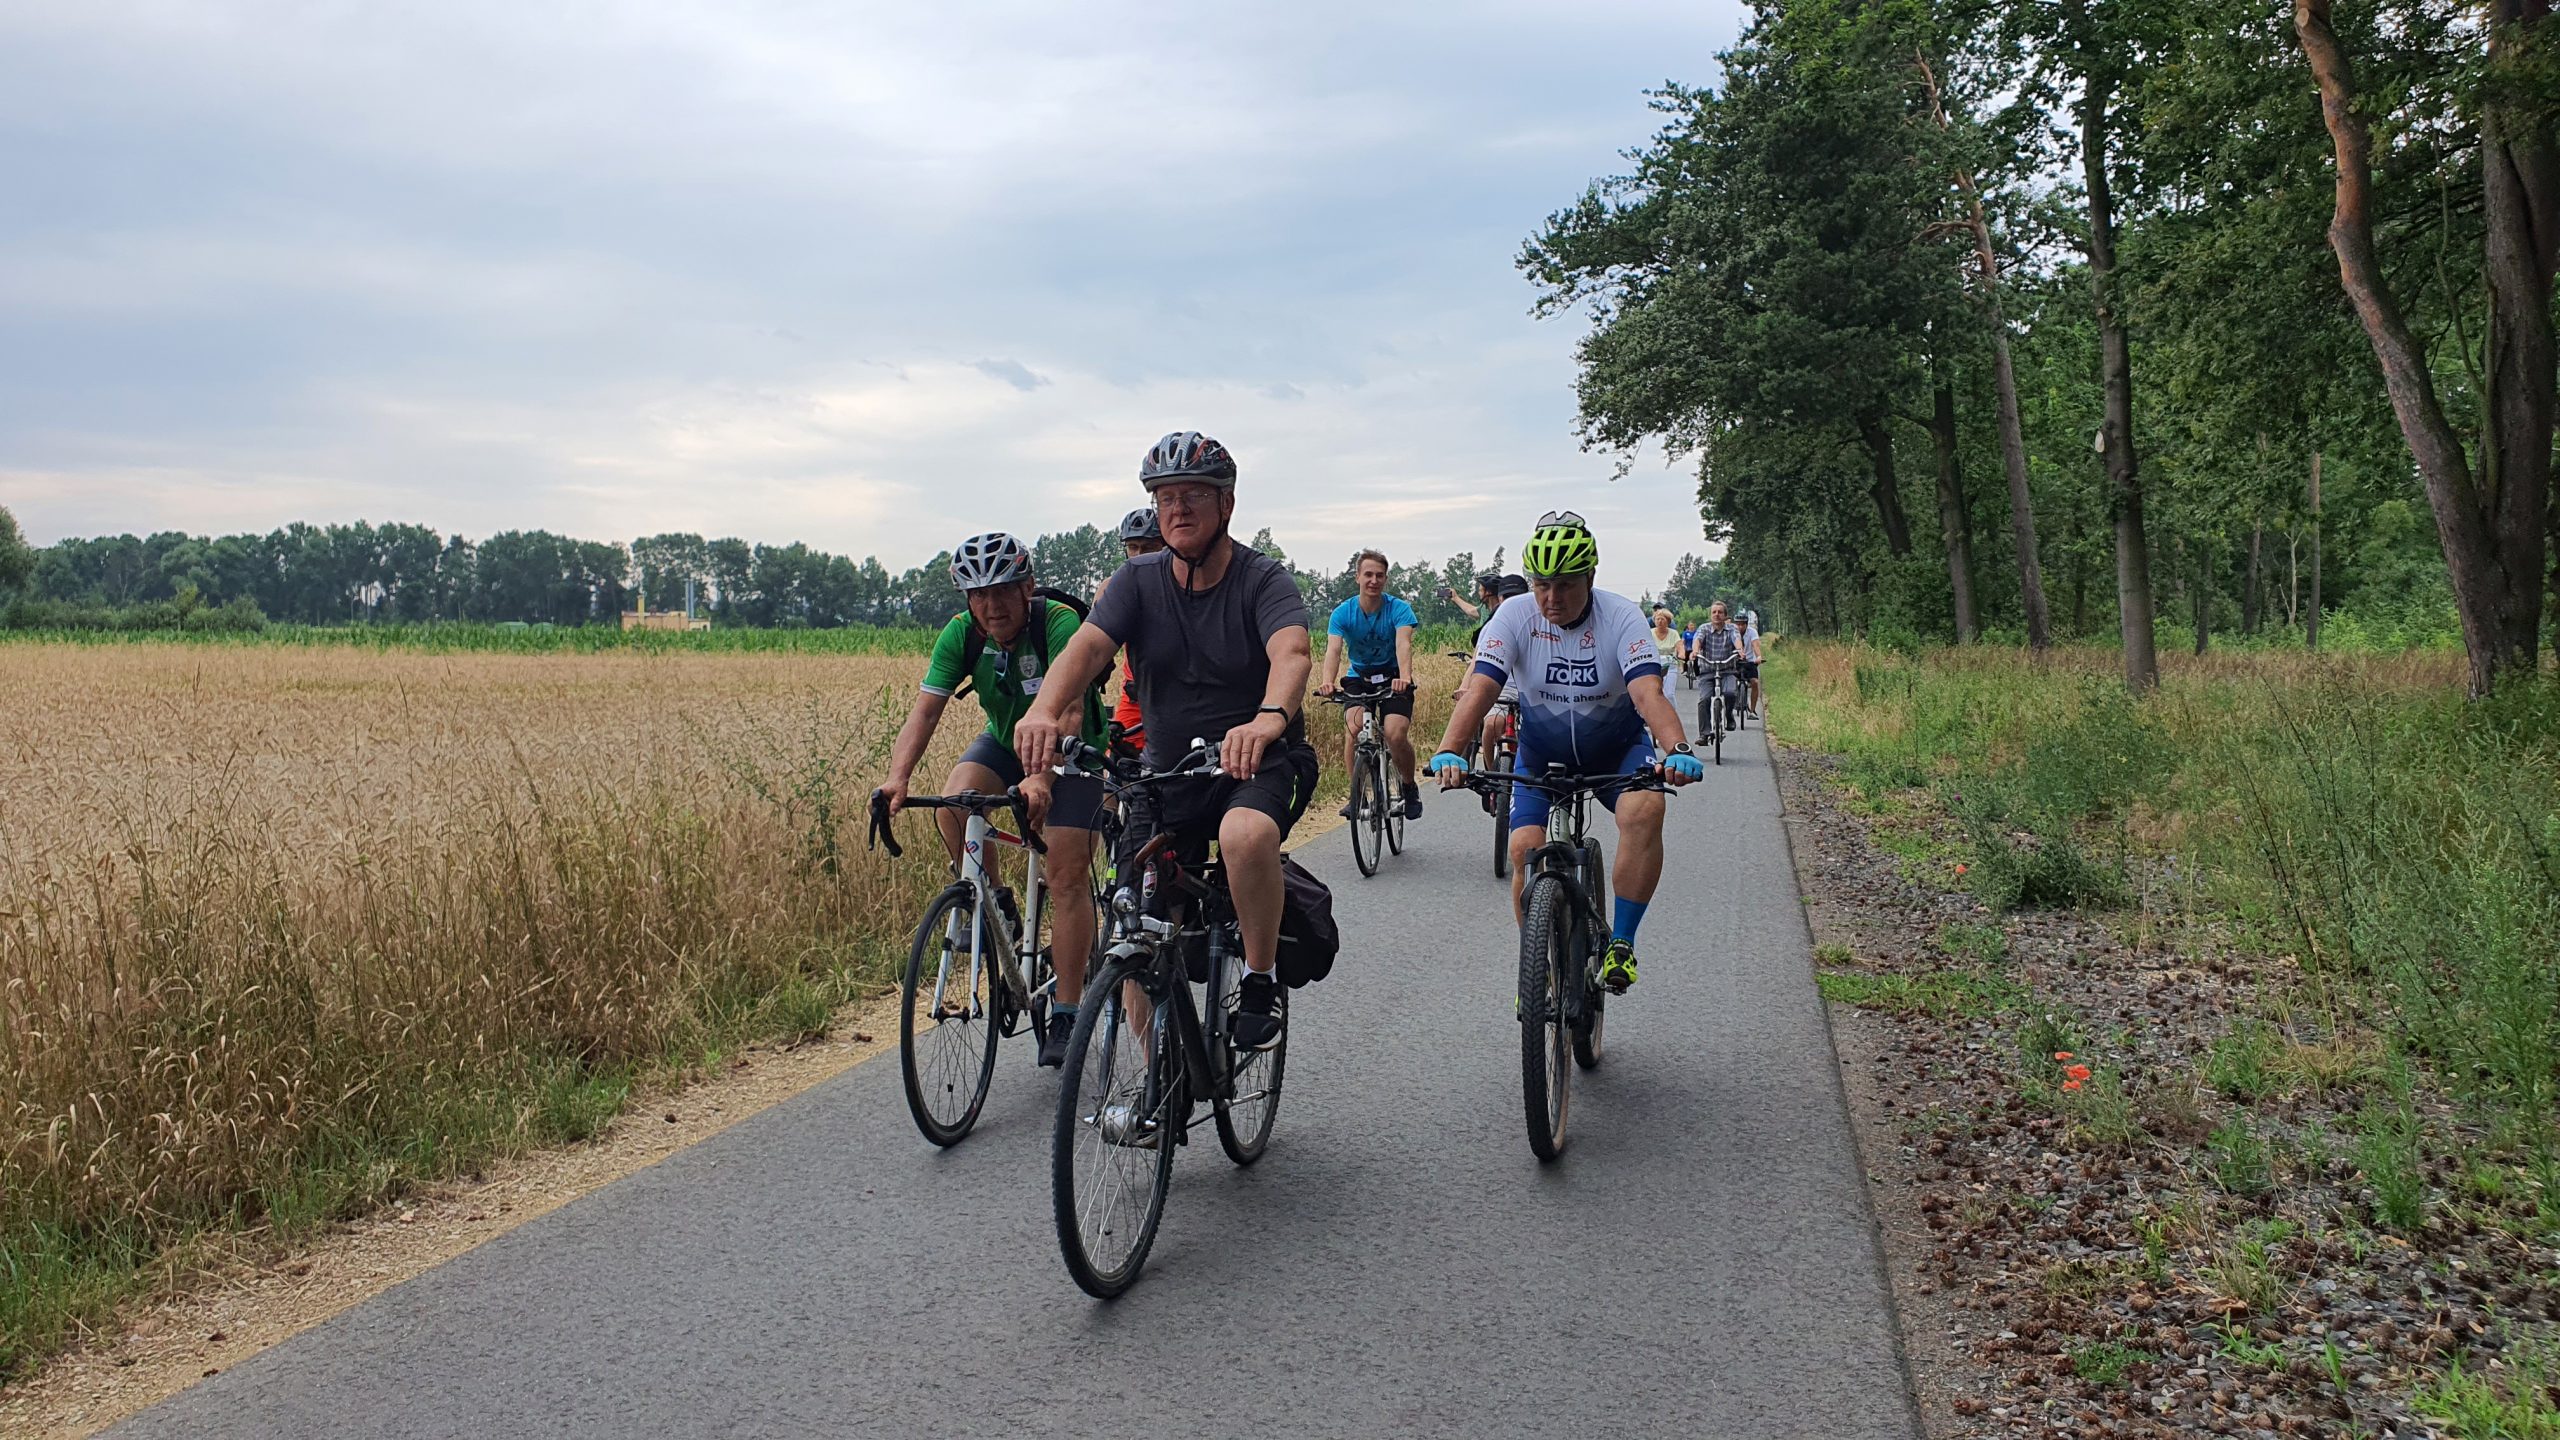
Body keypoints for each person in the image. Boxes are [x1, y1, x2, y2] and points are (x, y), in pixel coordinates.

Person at [1015, 431, 1318, 1050]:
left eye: (1194, 496)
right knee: (1134, 918)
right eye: (1165, 497)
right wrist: (1043, 709)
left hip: (1255, 763)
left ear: (1226, 503)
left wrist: (1267, 720)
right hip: (1165, 775)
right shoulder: (1137, 580)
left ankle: (1258, 979)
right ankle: (1154, 1078)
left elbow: (1292, 652)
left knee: (1244, 836)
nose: (1177, 509)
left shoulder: (1263, 579)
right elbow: (1088, 648)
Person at [1425, 512, 1701, 992]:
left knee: (1645, 810)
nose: (1551, 597)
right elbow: (1481, 689)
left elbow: (1647, 693)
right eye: (1541, 585)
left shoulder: (1621, 617)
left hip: (1616, 752)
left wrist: (1677, 748)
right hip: (1541, 753)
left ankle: (1622, 944)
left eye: (1566, 585)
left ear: (1590, 578)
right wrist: (1450, 750)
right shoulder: (1514, 616)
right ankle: (1537, 969)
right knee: (1522, 849)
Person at [881, 532, 1108, 1067]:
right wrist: (897, 778)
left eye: (1003, 590)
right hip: (1007, 742)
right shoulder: (962, 634)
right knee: (954, 803)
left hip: (1072, 750)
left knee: (1065, 875)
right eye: (979, 594)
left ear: (1028, 587)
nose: (992, 605)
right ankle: (997, 903)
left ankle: (1068, 1009)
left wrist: (1044, 778)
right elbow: (926, 711)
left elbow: (1070, 709)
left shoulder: (1057, 624)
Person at [1316, 550, 1422, 821]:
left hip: (1393, 677)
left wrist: (1405, 678)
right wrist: (1327, 682)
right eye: (1368, 575)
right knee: (1353, 730)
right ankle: (1359, 796)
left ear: (1386, 579)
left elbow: (1403, 643)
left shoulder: (1399, 609)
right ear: (1357, 577)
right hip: (1359, 677)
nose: (1374, 580)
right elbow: (1333, 650)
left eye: (1379, 575)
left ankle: (1409, 787)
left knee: (1395, 734)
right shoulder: (1343, 612)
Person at [1101, 507, 1165, 762]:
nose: (1138, 555)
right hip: (1135, 699)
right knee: (1115, 766)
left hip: (1179, 698)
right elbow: (1093, 647)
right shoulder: (1114, 589)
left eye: (1149, 547)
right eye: (1133, 547)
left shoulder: (1183, 588)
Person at [1691, 601, 1745, 734]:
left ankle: (1729, 715)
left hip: (1727, 670)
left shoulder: (1731, 628)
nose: (1716, 615)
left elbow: (1736, 639)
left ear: (1725, 615)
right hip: (1707, 671)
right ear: (1710, 615)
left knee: (1730, 693)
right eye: (1714, 612)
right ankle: (1704, 733)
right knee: (1704, 700)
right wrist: (1695, 651)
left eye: (1720, 612)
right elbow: (1698, 640)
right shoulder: (1704, 628)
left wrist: (1739, 650)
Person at [1648, 608, 1685, 690]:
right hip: (1654, 663)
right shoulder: (1649, 632)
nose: (1659, 621)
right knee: (1654, 691)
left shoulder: (1673, 633)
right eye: (1657, 619)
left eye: (1662, 619)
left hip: (1669, 663)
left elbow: (1680, 645)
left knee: (1669, 692)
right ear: (1654, 621)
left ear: (1668, 621)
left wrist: (1681, 653)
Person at [1739, 608, 1764, 719]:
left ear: (1746, 624)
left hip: (1750, 662)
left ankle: (1752, 710)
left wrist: (1758, 656)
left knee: (1755, 682)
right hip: (1735, 662)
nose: (1740, 627)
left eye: (1742, 624)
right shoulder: (1732, 632)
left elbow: (1755, 645)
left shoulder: (1752, 632)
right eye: (1738, 624)